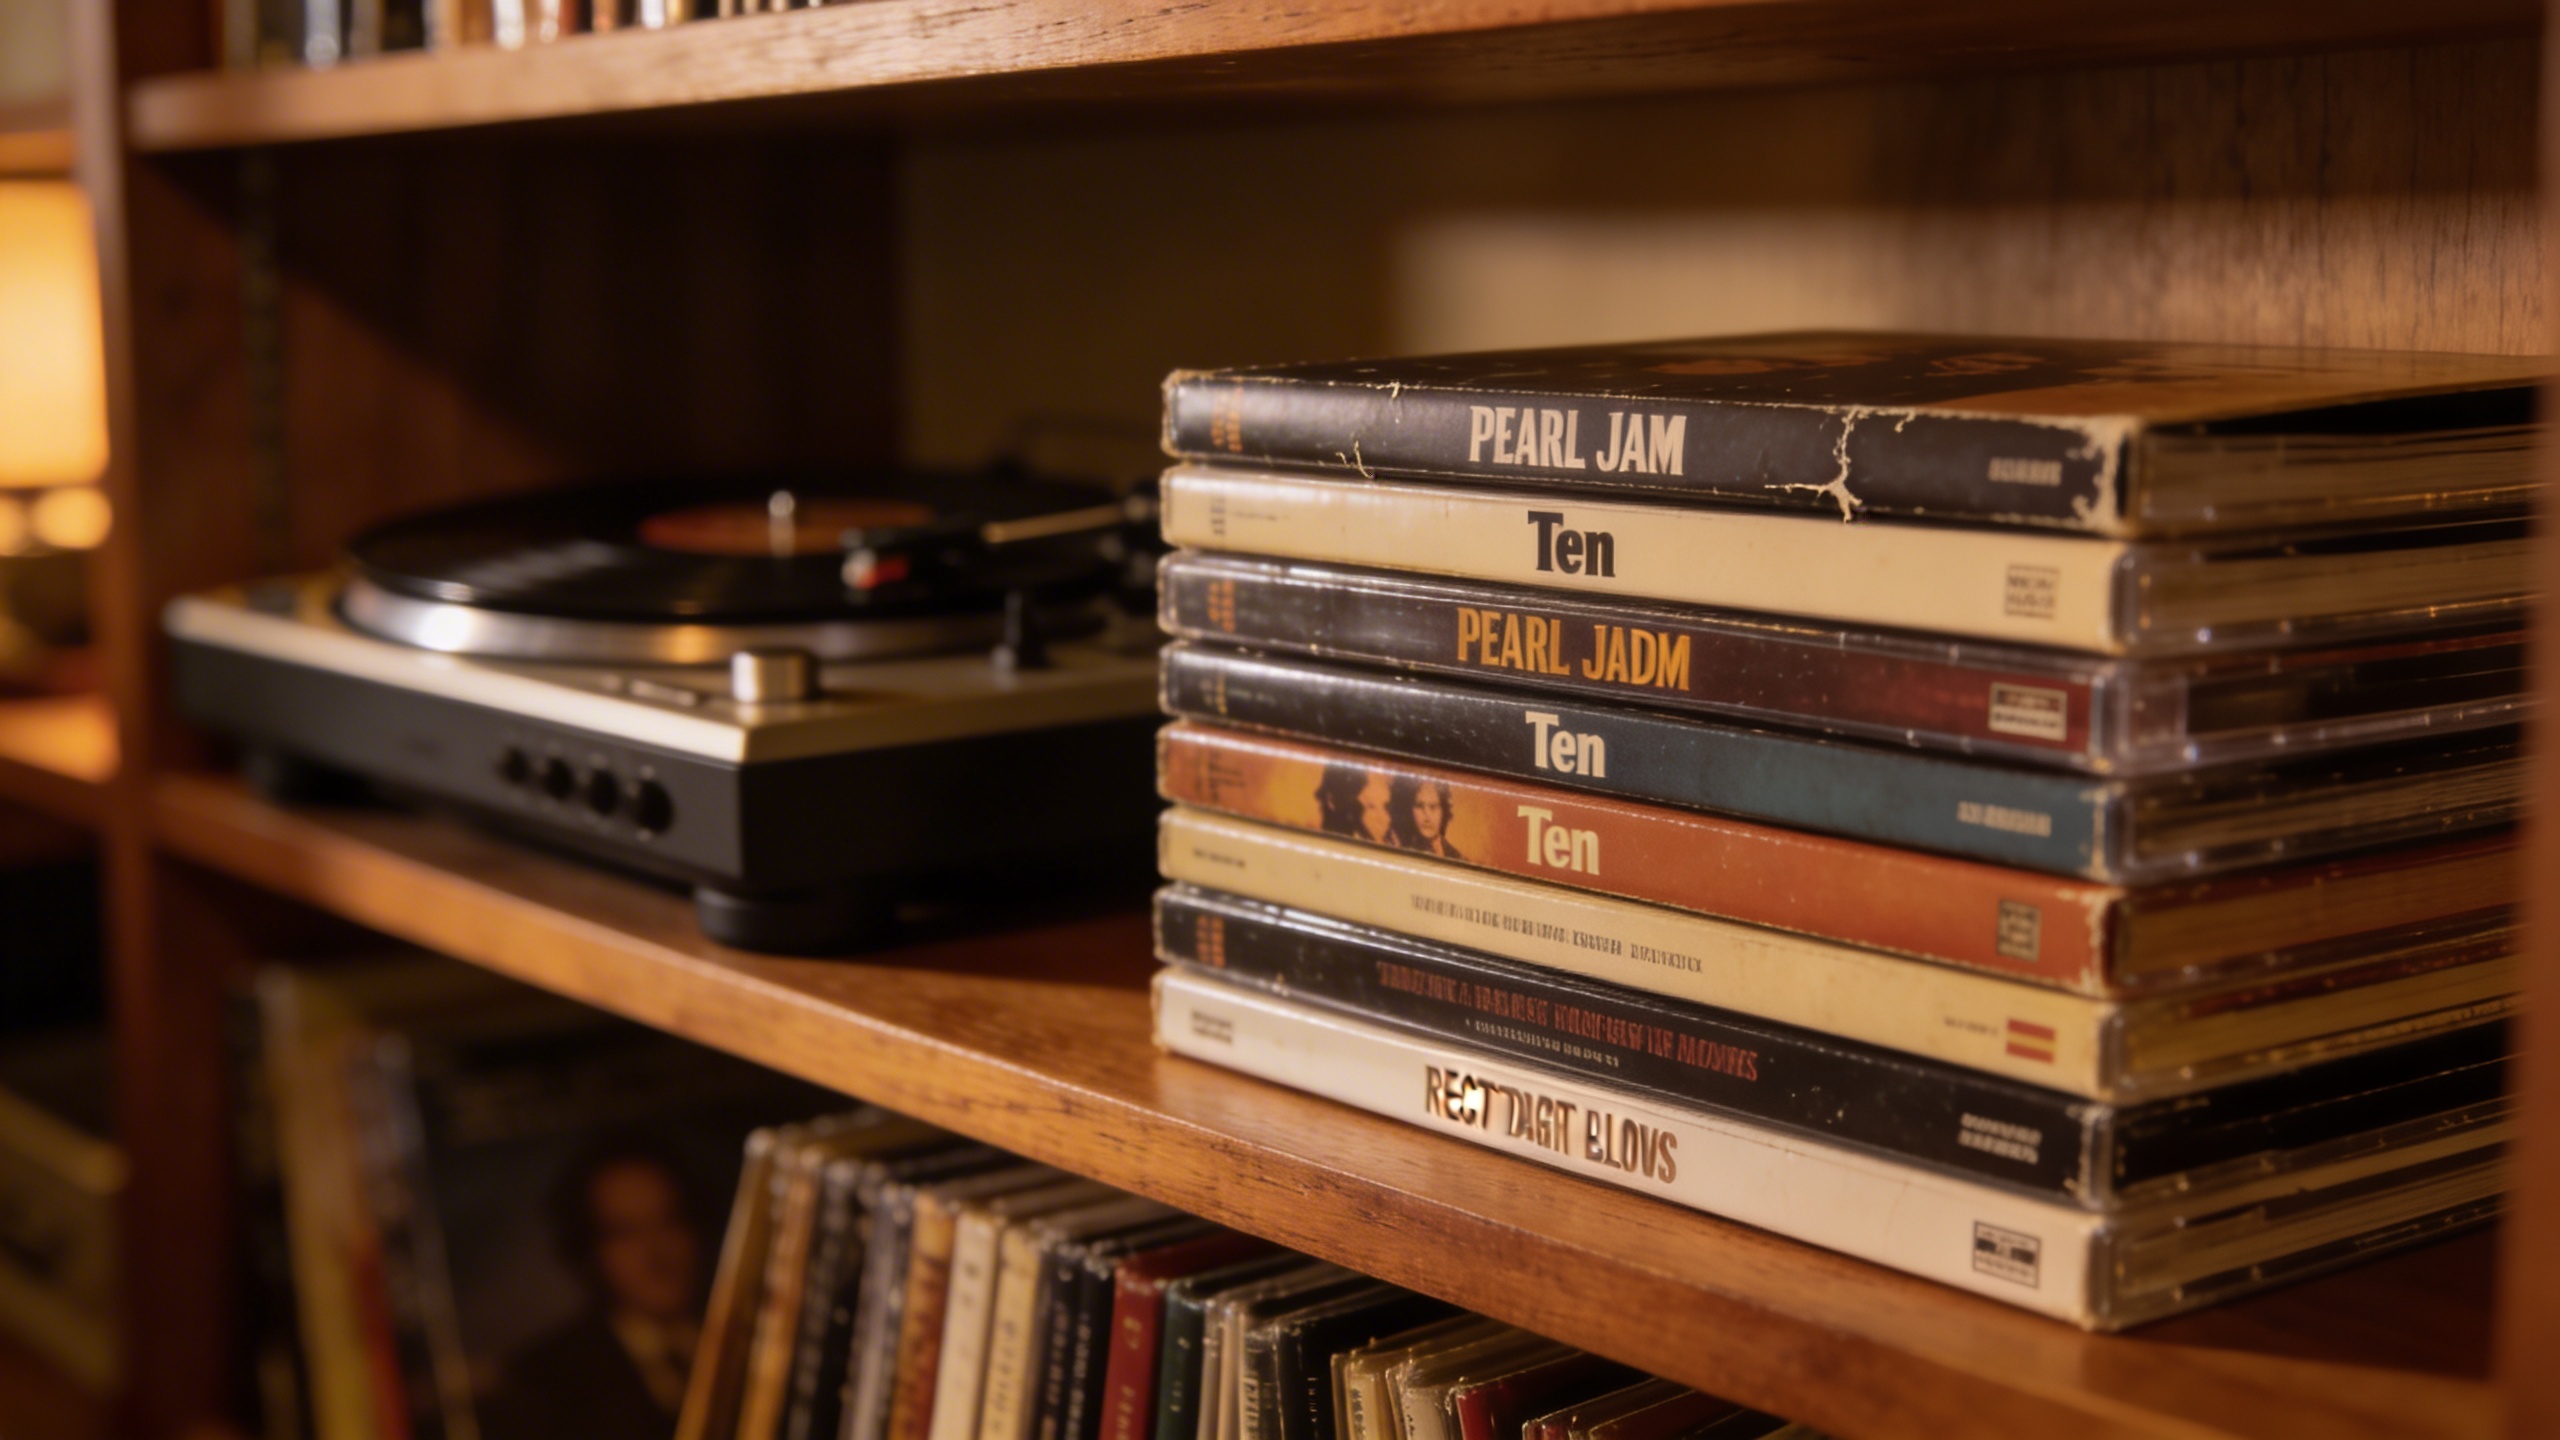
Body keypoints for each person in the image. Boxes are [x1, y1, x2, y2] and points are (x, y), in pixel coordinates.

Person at [479, 1141, 710, 1440]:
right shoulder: (544, 1381)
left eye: (671, 1221)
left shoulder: (753, 1341)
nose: (658, 1254)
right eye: (625, 1232)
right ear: (587, 1254)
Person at [1394, 776, 1461, 859]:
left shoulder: (1456, 857)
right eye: (1419, 805)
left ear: (1444, 811)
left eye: (1433, 807)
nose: (1427, 815)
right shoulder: (1399, 848)